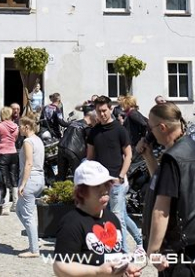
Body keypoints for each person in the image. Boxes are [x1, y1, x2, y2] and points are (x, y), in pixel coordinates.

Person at [136, 103, 195, 276]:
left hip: (182, 248)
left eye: (151, 128)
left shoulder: (172, 159)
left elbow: (161, 210)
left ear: (163, 127)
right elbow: (164, 183)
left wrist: (152, 251)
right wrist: (148, 156)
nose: (150, 133)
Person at [53, 160, 142, 277]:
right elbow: (60, 266)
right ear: (81, 192)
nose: (104, 189)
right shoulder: (71, 222)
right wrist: (97, 271)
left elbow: (114, 257)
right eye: (96, 186)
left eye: (106, 184)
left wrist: (125, 268)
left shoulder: (112, 219)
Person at [86, 96, 142, 254]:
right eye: (99, 111)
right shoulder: (94, 132)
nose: (102, 114)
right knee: (120, 215)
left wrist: (121, 176)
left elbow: (128, 154)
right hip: (101, 182)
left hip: (117, 181)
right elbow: (90, 157)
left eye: (104, 110)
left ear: (110, 109)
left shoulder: (119, 129)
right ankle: (139, 241)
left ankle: (122, 253)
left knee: (117, 219)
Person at [16, 115, 45, 258]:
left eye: (20, 126)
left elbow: (28, 163)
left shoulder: (28, 141)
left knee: (27, 215)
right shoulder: (38, 140)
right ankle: (35, 239)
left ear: (26, 127)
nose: (18, 128)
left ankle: (34, 250)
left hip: (30, 179)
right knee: (23, 211)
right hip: (39, 178)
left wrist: (22, 184)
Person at [58, 111, 97, 182]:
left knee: (61, 176)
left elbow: (64, 129)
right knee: (77, 176)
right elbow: (91, 141)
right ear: (92, 118)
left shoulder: (73, 123)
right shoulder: (86, 127)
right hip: (73, 151)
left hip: (61, 147)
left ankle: (59, 191)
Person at [0, 107, 20, 211]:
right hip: (13, 152)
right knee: (14, 177)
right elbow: (15, 139)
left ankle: (5, 206)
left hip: (2, 153)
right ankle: (15, 203)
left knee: (4, 179)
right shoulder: (16, 126)